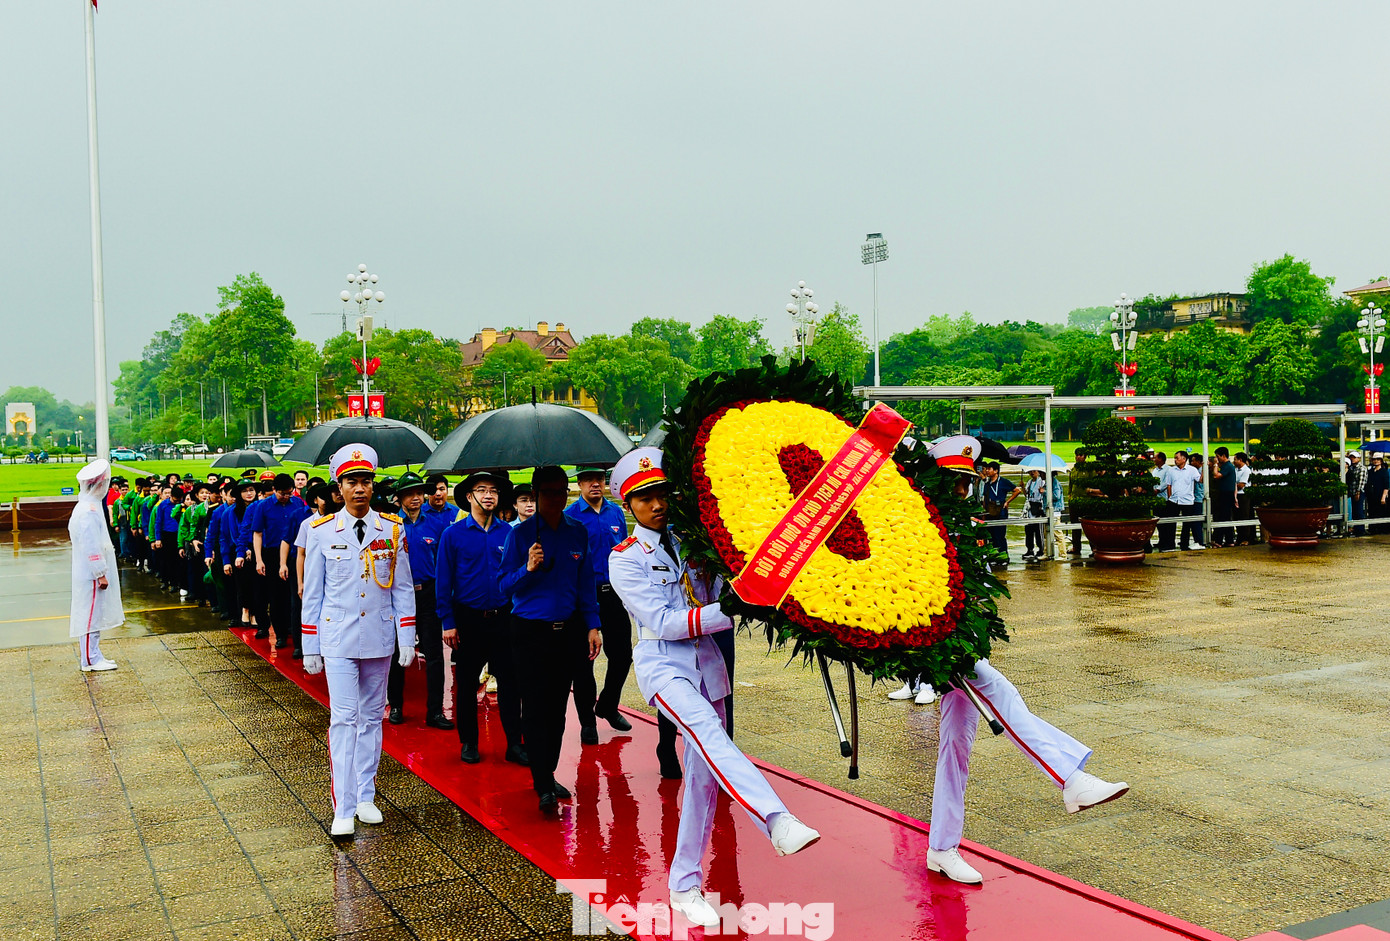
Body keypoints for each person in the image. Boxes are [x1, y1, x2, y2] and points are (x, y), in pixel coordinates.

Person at [607, 447, 820, 926]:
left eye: (661, 493)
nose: (656, 504)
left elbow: (733, 580)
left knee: (703, 779)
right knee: (707, 731)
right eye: (644, 498)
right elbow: (662, 620)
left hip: (709, 665)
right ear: (629, 504)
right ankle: (775, 818)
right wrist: (738, 609)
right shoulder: (623, 559)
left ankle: (684, 883)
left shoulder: (695, 542)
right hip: (665, 666)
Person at [923, 438, 1131, 885]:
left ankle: (942, 847)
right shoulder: (917, 518)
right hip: (931, 643)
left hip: (956, 637)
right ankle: (1069, 778)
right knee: (1000, 692)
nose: (963, 489)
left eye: (966, 481)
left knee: (956, 746)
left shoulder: (950, 517)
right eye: (955, 482)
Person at [300, 443, 417, 838]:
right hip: (337, 636)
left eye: (365, 480)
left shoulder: (392, 528)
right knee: (343, 719)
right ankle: (343, 805)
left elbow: (402, 588)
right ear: (339, 488)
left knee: (371, 718)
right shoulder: (319, 532)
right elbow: (312, 592)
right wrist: (310, 644)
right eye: (351, 481)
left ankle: (366, 794)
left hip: (380, 636)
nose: (360, 488)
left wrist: (406, 636)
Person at [497, 466, 602, 814]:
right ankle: (541, 781)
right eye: (550, 492)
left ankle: (548, 771)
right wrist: (526, 568)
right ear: (536, 494)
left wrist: (592, 624)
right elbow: (502, 586)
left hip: (568, 630)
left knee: (558, 710)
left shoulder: (577, 532)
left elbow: (586, 581)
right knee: (536, 707)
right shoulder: (521, 535)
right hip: (529, 631)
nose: (557, 498)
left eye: (562, 491)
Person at [437, 473, 525, 764]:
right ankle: (469, 742)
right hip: (467, 618)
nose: (489, 495)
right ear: (469, 496)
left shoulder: (509, 533)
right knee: (466, 682)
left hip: (503, 617)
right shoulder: (453, 534)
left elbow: (515, 575)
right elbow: (443, 580)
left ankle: (514, 743)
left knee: (511, 682)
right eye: (482, 490)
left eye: (494, 491)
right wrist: (448, 621)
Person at [565, 467, 634, 744]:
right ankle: (587, 722)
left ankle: (607, 704)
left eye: (600, 480)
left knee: (622, 655)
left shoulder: (615, 513)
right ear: (580, 483)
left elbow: (626, 549)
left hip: (614, 594)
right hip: (584, 595)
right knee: (584, 663)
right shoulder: (570, 517)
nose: (595, 484)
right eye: (589, 480)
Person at [385, 472, 453, 729]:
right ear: (399, 497)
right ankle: (397, 705)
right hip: (398, 596)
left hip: (428, 593)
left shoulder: (435, 525)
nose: (416, 498)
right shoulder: (390, 525)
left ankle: (435, 711)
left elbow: (444, 564)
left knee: (434, 653)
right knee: (396, 652)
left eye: (419, 493)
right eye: (409, 493)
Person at [69, 460, 125, 673]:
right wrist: (100, 573)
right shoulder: (89, 510)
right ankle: (90, 659)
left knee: (93, 614)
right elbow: (90, 544)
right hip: (91, 574)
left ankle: (94, 654)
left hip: (89, 571)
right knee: (90, 615)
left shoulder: (86, 506)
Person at [254, 474, 310, 654]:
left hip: (295, 553)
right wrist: (259, 559)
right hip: (271, 552)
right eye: (282, 494)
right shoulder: (263, 506)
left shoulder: (298, 504)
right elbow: (258, 533)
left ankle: (294, 630)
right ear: (274, 491)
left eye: (289, 493)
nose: (286, 497)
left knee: (294, 596)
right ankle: (280, 634)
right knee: (276, 596)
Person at [978, 462, 1018, 562]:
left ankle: (1004, 557)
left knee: (1000, 535)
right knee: (991, 535)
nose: (987, 471)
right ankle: (995, 556)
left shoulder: (1003, 481)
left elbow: (1017, 490)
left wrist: (1007, 502)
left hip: (1001, 511)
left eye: (989, 469)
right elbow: (985, 500)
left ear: (996, 471)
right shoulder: (987, 484)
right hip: (989, 512)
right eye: (986, 469)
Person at [1165, 451, 1203, 551]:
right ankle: (1170, 544)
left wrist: (1204, 469)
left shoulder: (1192, 470)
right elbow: (1169, 484)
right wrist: (1170, 497)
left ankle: (1184, 544)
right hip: (1174, 500)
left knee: (1187, 525)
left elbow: (1200, 480)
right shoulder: (1171, 470)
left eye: (1177, 458)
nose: (1175, 460)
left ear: (1184, 459)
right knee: (1171, 523)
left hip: (1187, 501)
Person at [1210, 448, 1237, 547]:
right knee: (1225, 517)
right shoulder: (1227, 466)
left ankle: (1219, 540)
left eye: (1218, 456)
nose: (1217, 459)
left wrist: (1216, 464)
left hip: (1226, 494)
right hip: (1226, 493)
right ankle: (1228, 539)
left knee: (1223, 517)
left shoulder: (1227, 466)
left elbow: (1216, 475)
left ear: (1223, 456)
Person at [1367, 455, 1389, 534]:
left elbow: (1386, 485)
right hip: (1372, 496)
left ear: (1381, 461)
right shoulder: (1370, 471)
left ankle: (1381, 529)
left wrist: (1383, 497)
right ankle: (1372, 529)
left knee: (1381, 512)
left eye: (1378, 459)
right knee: (1372, 512)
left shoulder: (1384, 471)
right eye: (1374, 459)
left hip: (1380, 495)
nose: (1376, 461)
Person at [1347, 451, 1368, 536]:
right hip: (1352, 492)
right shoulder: (1351, 468)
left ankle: (1361, 529)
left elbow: (1362, 482)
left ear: (1359, 458)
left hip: (1359, 492)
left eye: (1354, 457)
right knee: (1354, 511)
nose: (1352, 459)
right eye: (1351, 457)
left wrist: (1358, 492)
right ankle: (1356, 528)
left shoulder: (1362, 468)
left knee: (1359, 511)